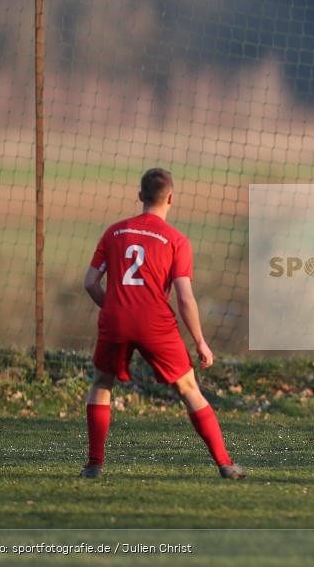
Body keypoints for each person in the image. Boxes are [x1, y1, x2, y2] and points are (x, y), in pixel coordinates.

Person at [81, 168, 244, 479]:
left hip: (115, 320)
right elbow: (185, 298)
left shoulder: (114, 232)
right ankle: (225, 464)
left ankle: (94, 465)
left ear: (140, 196)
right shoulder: (177, 241)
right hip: (156, 323)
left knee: (102, 385)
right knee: (188, 387)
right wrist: (199, 341)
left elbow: (90, 282)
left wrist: (115, 307)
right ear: (170, 198)